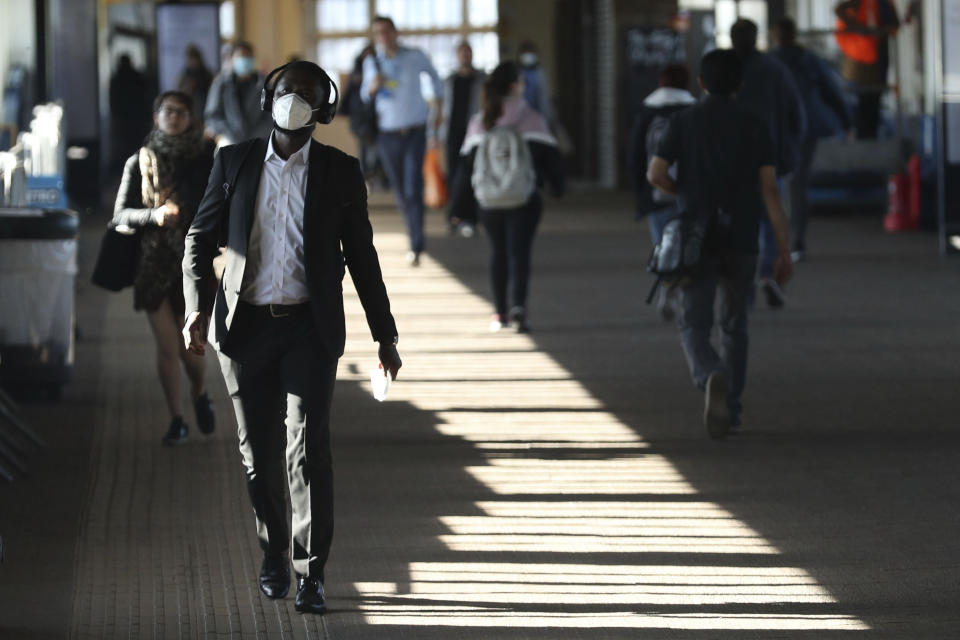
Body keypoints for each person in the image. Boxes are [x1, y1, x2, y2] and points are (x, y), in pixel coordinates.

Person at [182, 61, 402, 615]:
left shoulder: (340, 171)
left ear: (323, 109)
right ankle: (274, 553)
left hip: (309, 327)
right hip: (246, 327)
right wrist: (194, 308)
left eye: (305, 94)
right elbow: (198, 238)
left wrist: (385, 335)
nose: (293, 101)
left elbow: (363, 259)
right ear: (268, 98)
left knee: (306, 453)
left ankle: (311, 572)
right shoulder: (233, 163)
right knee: (257, 454)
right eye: (285, 91)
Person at [648, 49, 793, 439]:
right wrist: (783, 249)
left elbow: (656, 174)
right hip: (743, 235)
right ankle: (732, 408)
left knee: (693, 322)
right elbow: (770, 191)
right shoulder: (755, 125)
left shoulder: (682, 121)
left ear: (701, 83)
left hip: (696, 235)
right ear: (739, 85)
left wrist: (685, 193)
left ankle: (711, 373)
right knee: (735, 324)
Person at [112, 90, 216, 445]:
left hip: (193, 264)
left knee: (193, 353)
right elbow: (120, 216)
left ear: (190, 118)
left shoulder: (206, 157)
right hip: (153, 265)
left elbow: (218, 203)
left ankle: (200, 393)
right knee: (167, 347)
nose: (174, 117)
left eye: (182, 112)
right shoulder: (139, 161)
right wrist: (154, 215)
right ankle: (177, 419)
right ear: (156, 117)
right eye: (168, 111)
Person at [454, 62, 564, 333]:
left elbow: (467, 167)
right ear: (515, 86)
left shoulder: (480, 122)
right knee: (520, 253)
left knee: (498, 253)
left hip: (489, 203)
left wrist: (458, 208)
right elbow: (551, 160)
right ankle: (519, 309)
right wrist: (557, 188)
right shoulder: (532, 119)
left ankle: (499, 313)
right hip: (524, 200)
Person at [731, 18, 806, 308]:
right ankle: (770, 276)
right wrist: (791, 152)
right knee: (773, 221)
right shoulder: (775, 70)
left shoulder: (724, 70)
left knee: (738, 225)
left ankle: (742, 283)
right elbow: (796, 114)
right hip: (770, 161)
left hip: (733, 165)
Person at [361, 15, 443, 266]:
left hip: (415, 133)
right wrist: (373, 87)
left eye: (387, 31)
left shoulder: (415, 56)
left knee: (412, 187)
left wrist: (438, 110)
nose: (383, 36)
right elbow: (365, 95)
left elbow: (435, 80)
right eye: (378, 33)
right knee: (400, 190)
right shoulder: (372, 62)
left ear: (395, 32)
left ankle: (416, 243)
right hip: (388, 135)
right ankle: (413, 232)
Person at [772, 17, 854, 261]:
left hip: (778, 130)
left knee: (772, 183)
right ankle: (797, 243)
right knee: (798, 185)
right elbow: (832, 91)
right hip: (806, 128)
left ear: (776, 36)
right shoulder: (810, 61)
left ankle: (775, 242)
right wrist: (847, 122)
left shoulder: (768, 63)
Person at [628, 64, 696, 321]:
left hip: (654, 191)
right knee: (689, 245)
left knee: (663, 244)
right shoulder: (694, 112)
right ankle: (682, 293)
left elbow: (635, 156)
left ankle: (667, 286)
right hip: (688, 192)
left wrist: (639, 191)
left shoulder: (646, 113)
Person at [440, 41, 486, 238]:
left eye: (468, 52)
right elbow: (441, 109)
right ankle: (455, 216)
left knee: (473, 176)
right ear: (457, 56)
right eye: (462, 53)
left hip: (475, 134)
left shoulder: (482, 79)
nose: (465, 56)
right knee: (453, 176)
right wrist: (435, 136)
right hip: (453, 134)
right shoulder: (449, 80)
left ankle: (470, 218)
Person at [835, 0, 899, 139]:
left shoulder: (884, 4)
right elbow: (839, 10)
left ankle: (870, 136)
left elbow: (894, 25)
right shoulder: (859, 3)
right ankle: (860, 137)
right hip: (860, 59)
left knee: (874, 100)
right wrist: (861, 29)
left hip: (878, 58)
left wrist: (879, 32)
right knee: (861, 101)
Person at [204, 41, 272, 146]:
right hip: (228, 141)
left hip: (258, 142)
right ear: (232, 59)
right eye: (241, 57)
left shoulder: (265, 84)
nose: (245, 61)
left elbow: (271, 116)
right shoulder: (221, 83)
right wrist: (228, 133)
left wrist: (254, 136)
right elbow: (212, 115)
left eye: (248, 57)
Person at [109, 54, 152, 170]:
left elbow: (114, 101)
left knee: (125, 147)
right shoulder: (137, 77)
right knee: (137, 145)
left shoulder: (117, 79)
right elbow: (146, 97)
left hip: (124, 119)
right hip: (137, 117)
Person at [517, 41, 555, 127]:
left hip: (539, 116)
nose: (528, 56)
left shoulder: (539, 73)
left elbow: (544, 97)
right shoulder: (518, 73)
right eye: (525, 53)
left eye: (530, 53)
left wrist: (547, 119)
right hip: (521, 118)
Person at [176, 44, 214, 124]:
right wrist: (188, 88)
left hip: (206, 112)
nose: (193, 62)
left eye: (195, 58)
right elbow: (178, 94)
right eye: (191, 58)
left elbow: (213, 93)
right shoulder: (184, 75)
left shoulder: (207, 74)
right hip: (188, 113)